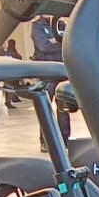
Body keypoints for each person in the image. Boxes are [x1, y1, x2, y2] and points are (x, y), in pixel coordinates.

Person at [29, 14, 70, 145]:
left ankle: (65, 139)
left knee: (63, 107)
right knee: (45, 107)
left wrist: (54, 41)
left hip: (62, 70)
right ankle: (45, 141)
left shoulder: (61, 25)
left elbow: (69, 43)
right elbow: (44, 46)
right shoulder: (37, 25)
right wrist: (59, 42)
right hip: (46, 71)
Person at [0, 38, 24, 108]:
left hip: (6, 72)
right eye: (4, 43)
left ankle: (9, 101)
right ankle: (8, 101)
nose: (6, 44)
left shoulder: (4, 52)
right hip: (4, 73)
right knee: (9, 86)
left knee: (9, 86)